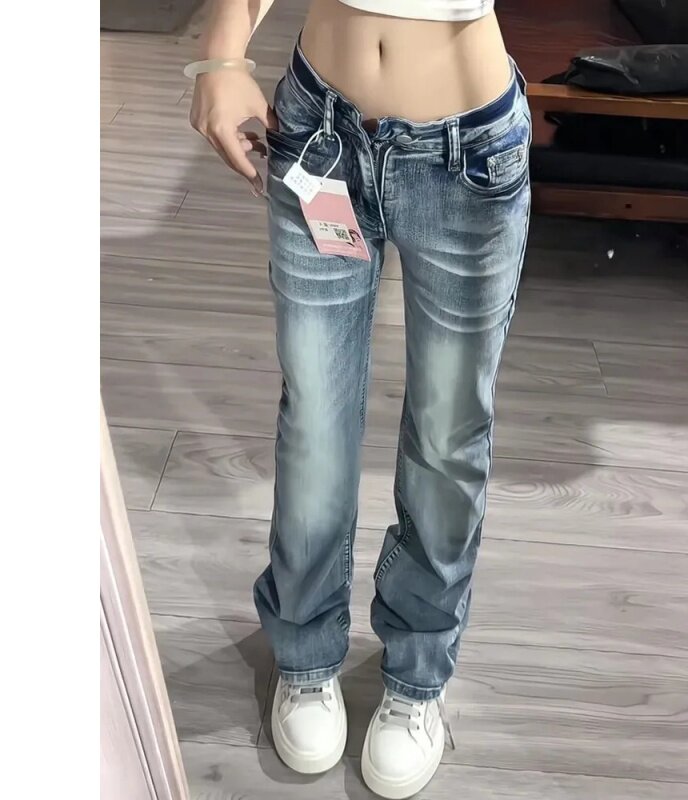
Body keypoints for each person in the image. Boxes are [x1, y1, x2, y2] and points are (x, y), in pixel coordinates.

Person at [188, 1, 531, 796]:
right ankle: (305, 657)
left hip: (468, 149)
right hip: (320, 134)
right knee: (314, 422)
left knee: (448, 433)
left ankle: (416, 675)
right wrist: (222, 50)